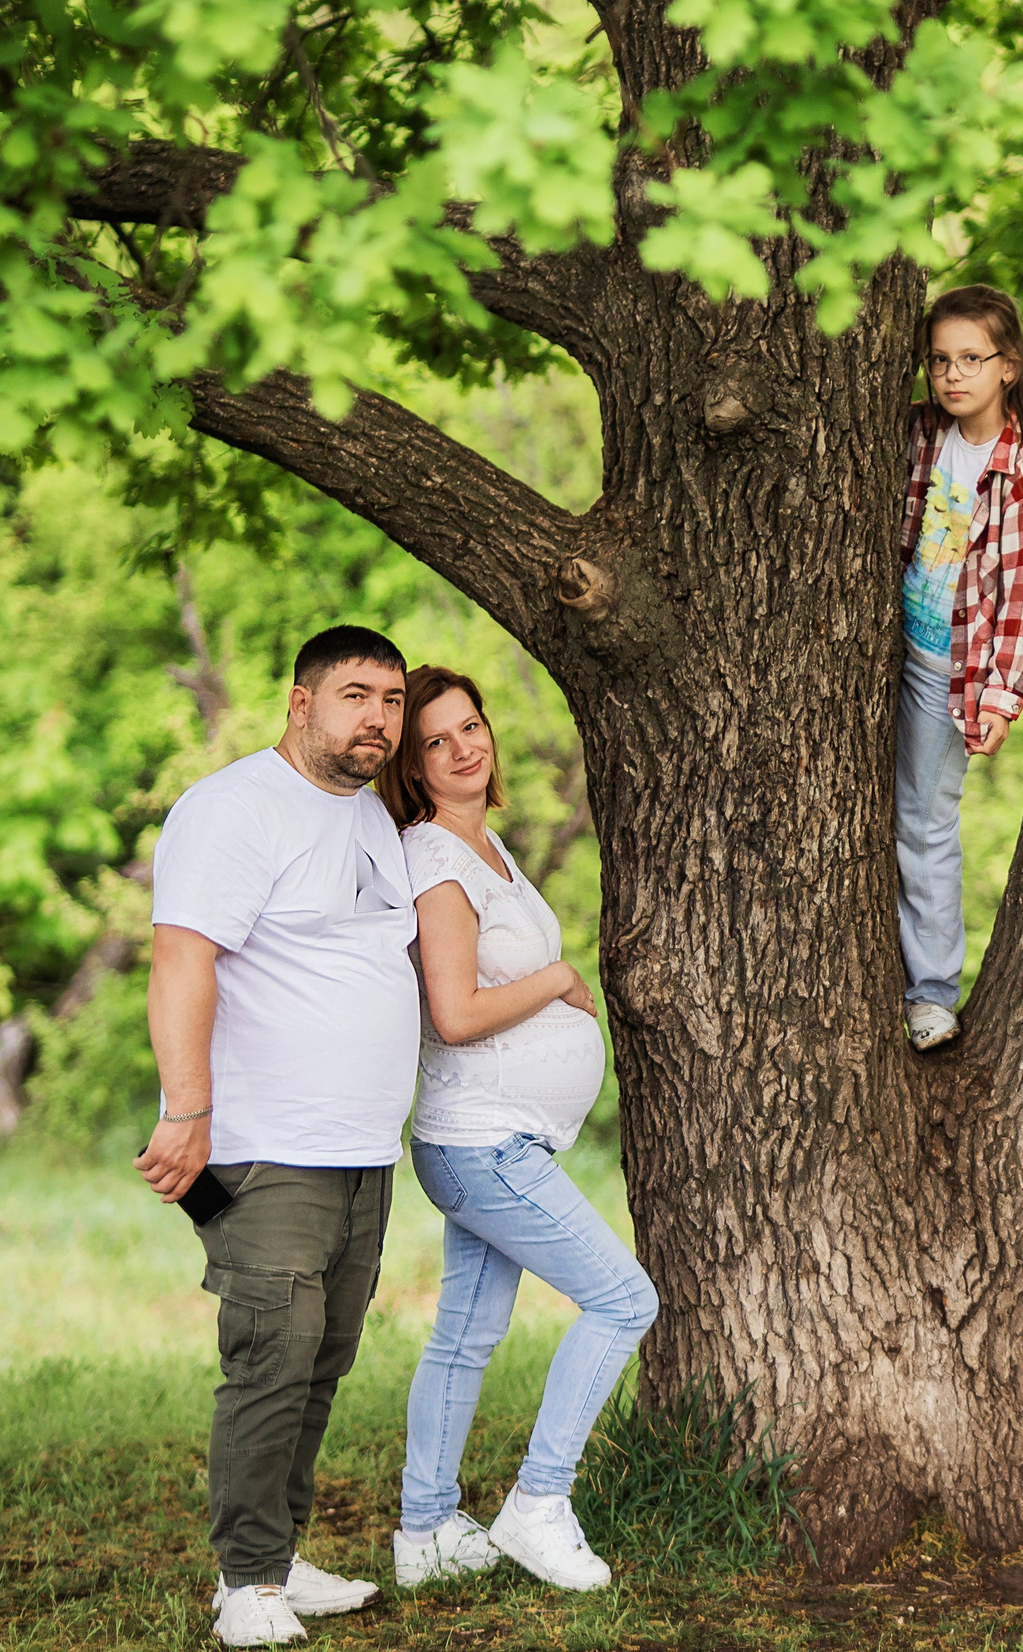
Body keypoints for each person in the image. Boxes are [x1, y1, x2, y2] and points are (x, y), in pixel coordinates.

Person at [135, 625, 417, 1647]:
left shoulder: (372, 819)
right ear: (300, 703)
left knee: (321, 1357)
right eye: (354, 696)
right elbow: (180, 962)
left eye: (390, 700)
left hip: (357, 1156)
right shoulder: (234, 808)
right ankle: (244, 1582)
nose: (375, 719)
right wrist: (186, 1112)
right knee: (270, 1350)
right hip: (261, 1150)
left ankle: (280, 1555)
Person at [374, 664, 657, 1594]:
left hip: (496, 1139)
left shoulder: (481, 844)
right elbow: (452, 1011)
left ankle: (424, 1530)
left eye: (471, 726)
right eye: (436, 741)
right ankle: (540, 1502)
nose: (463, 747)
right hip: (478, 1142)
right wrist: (560, 982)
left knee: (464, 1332)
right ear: (413, 768)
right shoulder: (439, 860)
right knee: (624, 1299)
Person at [895, 283, 1023, 1052]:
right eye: (940, 360)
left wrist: (1002, 695)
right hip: (886, 648)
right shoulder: (921, 437)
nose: (952, 375)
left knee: (925, 819)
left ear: (1008, 367)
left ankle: (933, 993)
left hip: (949, 667)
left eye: (972, 359)